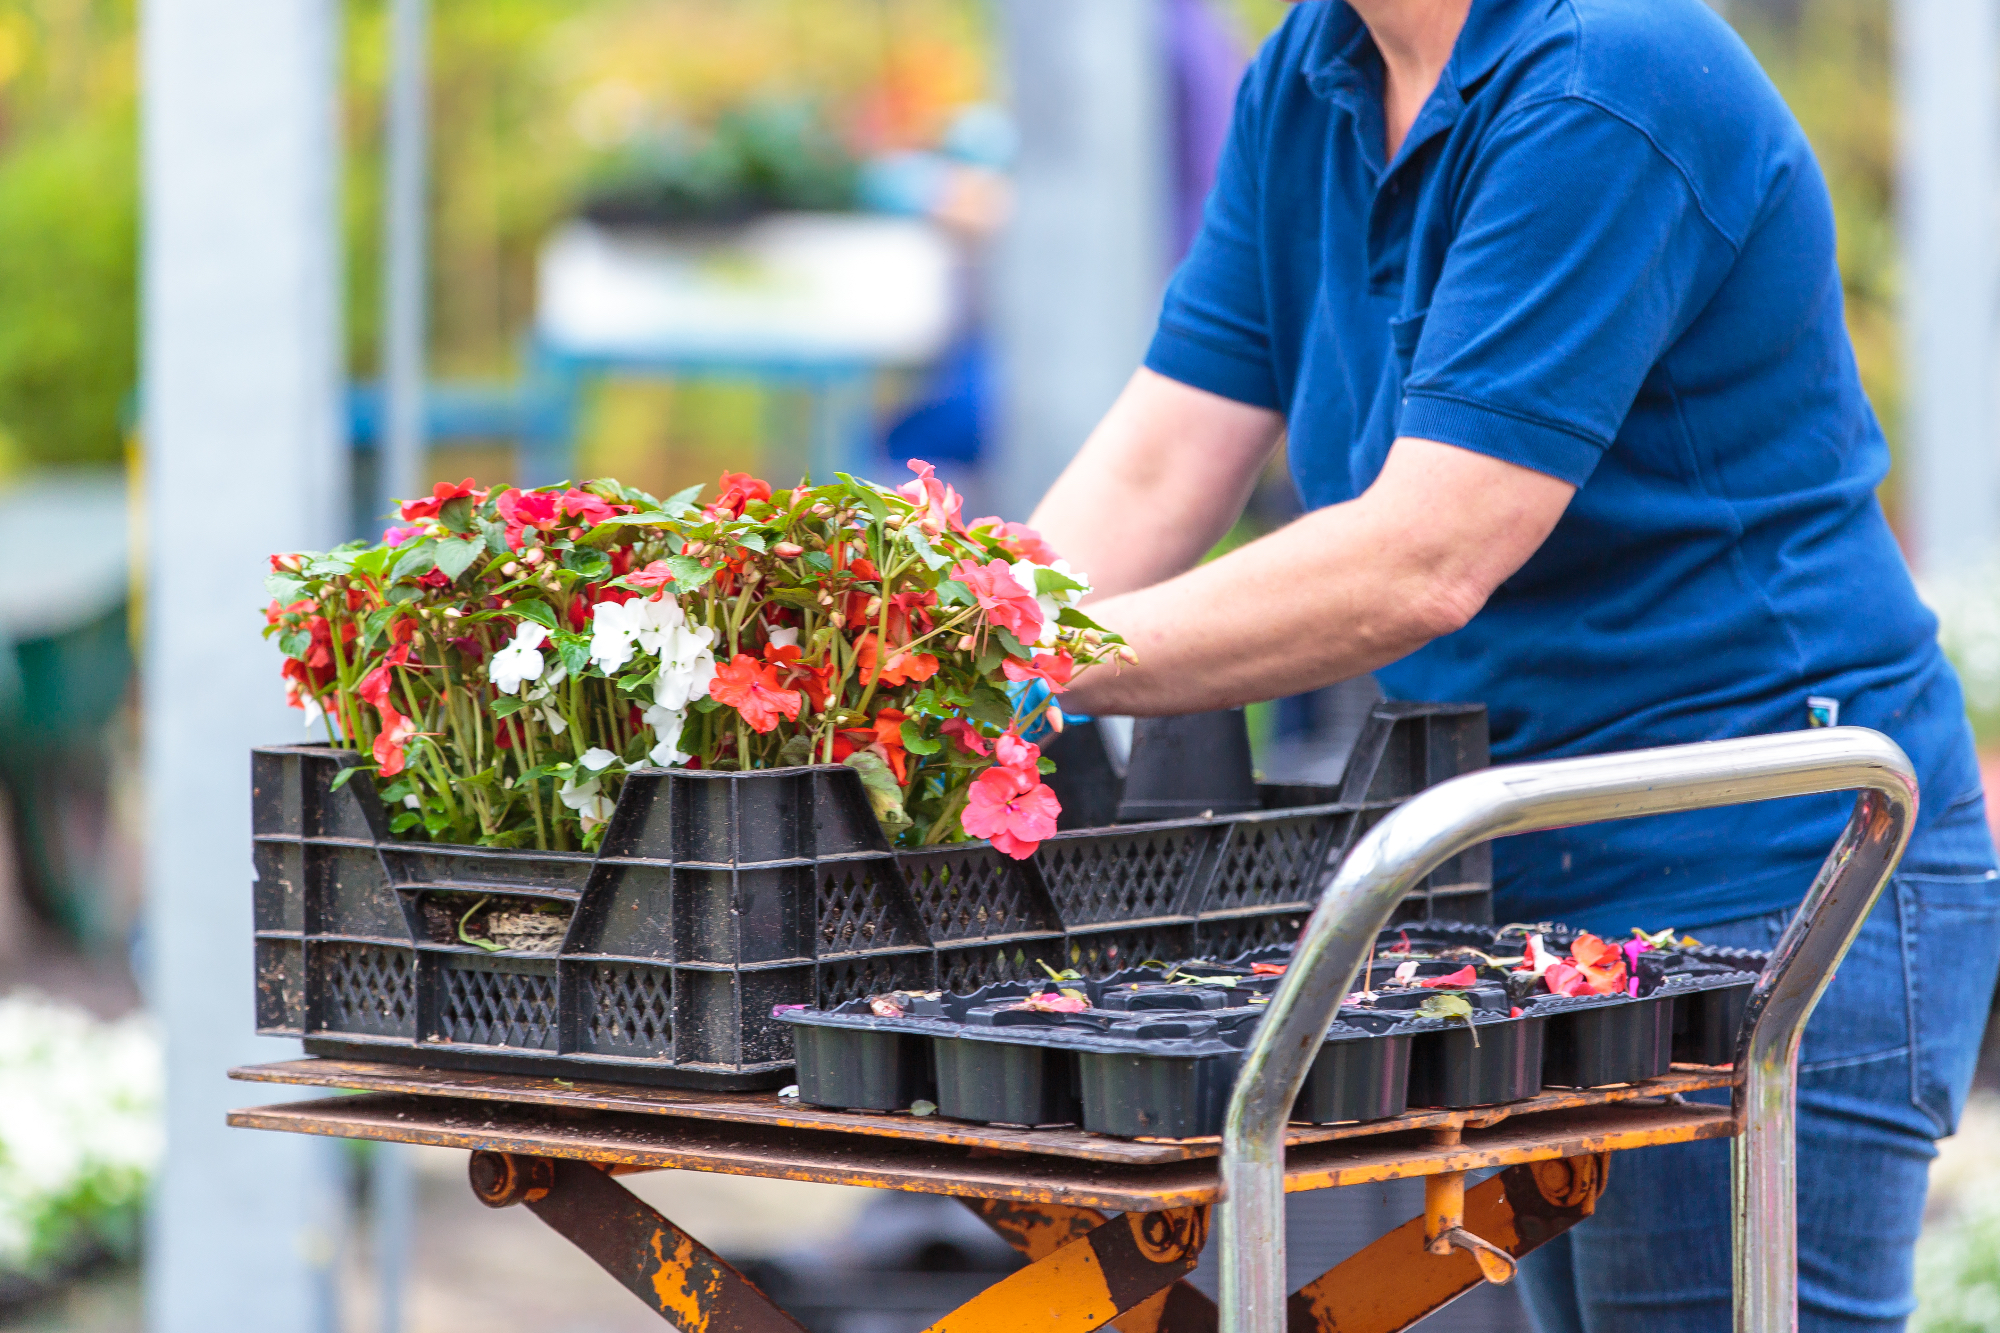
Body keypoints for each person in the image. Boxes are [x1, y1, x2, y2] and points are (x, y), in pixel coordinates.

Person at [1024, 0, 2000, 1327]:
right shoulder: (1317, 76)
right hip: (1525, 874)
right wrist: (939, 634)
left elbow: (1427, 552)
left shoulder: (1611, 76)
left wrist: (1026, 651)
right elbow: (1160, 455)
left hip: (1766, 872)